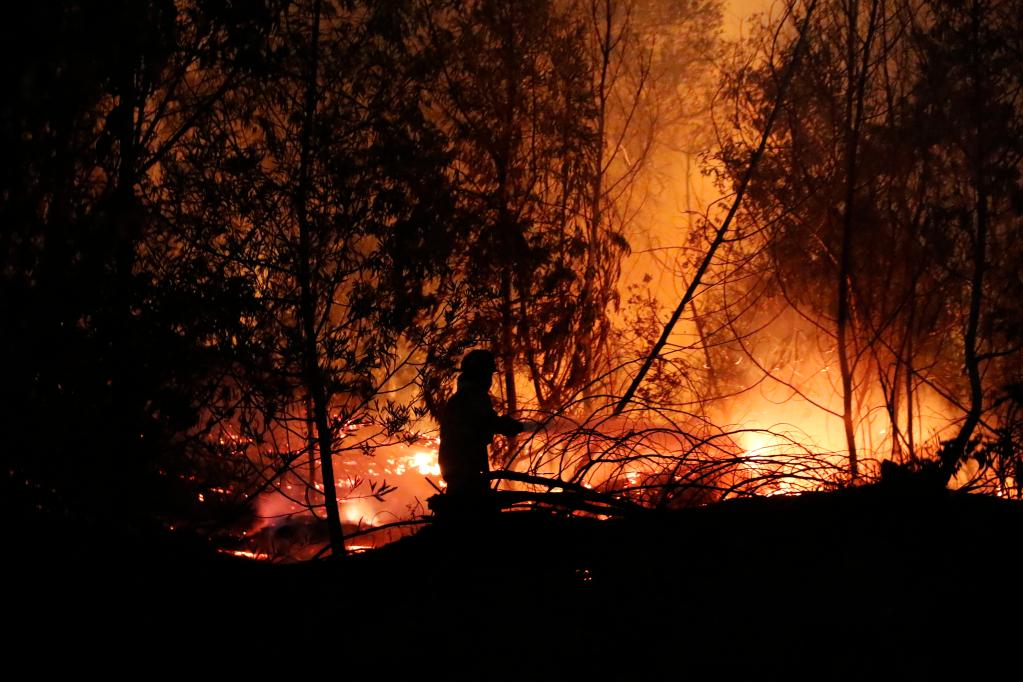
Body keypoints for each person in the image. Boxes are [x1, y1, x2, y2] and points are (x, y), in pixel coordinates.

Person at [438, 350, 523, 500]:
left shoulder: (460, 397)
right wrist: (511, 426)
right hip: (467, 471)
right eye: (488, 374)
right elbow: (487, 422)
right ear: (479, 374)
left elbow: (481, 423)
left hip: (457, 469)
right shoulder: (473, 396)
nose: (489, 379)